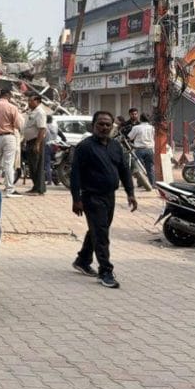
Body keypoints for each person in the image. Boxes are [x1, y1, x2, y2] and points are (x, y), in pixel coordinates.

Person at [69, 111, 138, 289]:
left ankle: (83, 260)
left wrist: (130, 193)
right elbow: (75, 174)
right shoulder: (85, 147)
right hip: (92, 196)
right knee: (101, 233)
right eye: (101, 124)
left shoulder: (116, 146)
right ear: (93, 125)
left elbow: (124, 170)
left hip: (110, 196)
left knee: (98, 229)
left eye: (108, 124)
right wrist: (76, 199)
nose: (104, 127)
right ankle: (105, 271)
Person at [21, 94, 48, 195]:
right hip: (30, 141)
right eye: (28, 101)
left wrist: (37, 144)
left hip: (36, 141)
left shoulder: (40, 112)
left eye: (31, 101)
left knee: (37, 165)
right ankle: (35, 187)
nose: (29, 103)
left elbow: (42, 129)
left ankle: (39, 189)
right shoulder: (31, 112)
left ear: (37, 101)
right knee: (32, 166)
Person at [127, 113, 156, 186]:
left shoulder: (136, 127)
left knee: (139, 168)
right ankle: (152, 184)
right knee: (150, 167)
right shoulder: (152, 128)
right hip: (150, 150)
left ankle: (141, 183)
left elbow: (130, 137)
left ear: (140, 119)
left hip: (139, 150)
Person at [44, 115, 66, 186]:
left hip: (47, 145)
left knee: (47, 164)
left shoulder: (45, 126)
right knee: (55, 164)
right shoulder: (55, 127)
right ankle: (56, 180)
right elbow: (63, 137)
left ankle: (49, 181)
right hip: (55, 146)